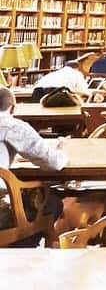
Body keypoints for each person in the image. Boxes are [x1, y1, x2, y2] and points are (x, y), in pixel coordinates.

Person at [0, 86, 66, 241]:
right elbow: (54, 163)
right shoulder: (12, 126)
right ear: (12, 108)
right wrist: (61, 152)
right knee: (51, 202)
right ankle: (17, 251)